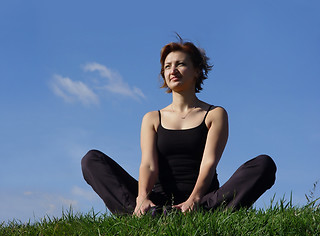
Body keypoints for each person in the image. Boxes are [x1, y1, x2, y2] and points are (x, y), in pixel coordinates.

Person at [81, 37, 277, 217]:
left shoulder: (215, 114)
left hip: (203, 200)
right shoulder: (152, 118)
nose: (172, 70)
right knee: (92, 160)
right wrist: (142, 198)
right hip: (157, 202)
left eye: (180, 64)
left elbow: (208, 163)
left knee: (263, 165)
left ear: (197, 71)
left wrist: (194, 199)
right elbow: (148, 165)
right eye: (167, 67)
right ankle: (143, 214)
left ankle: (201, 213)